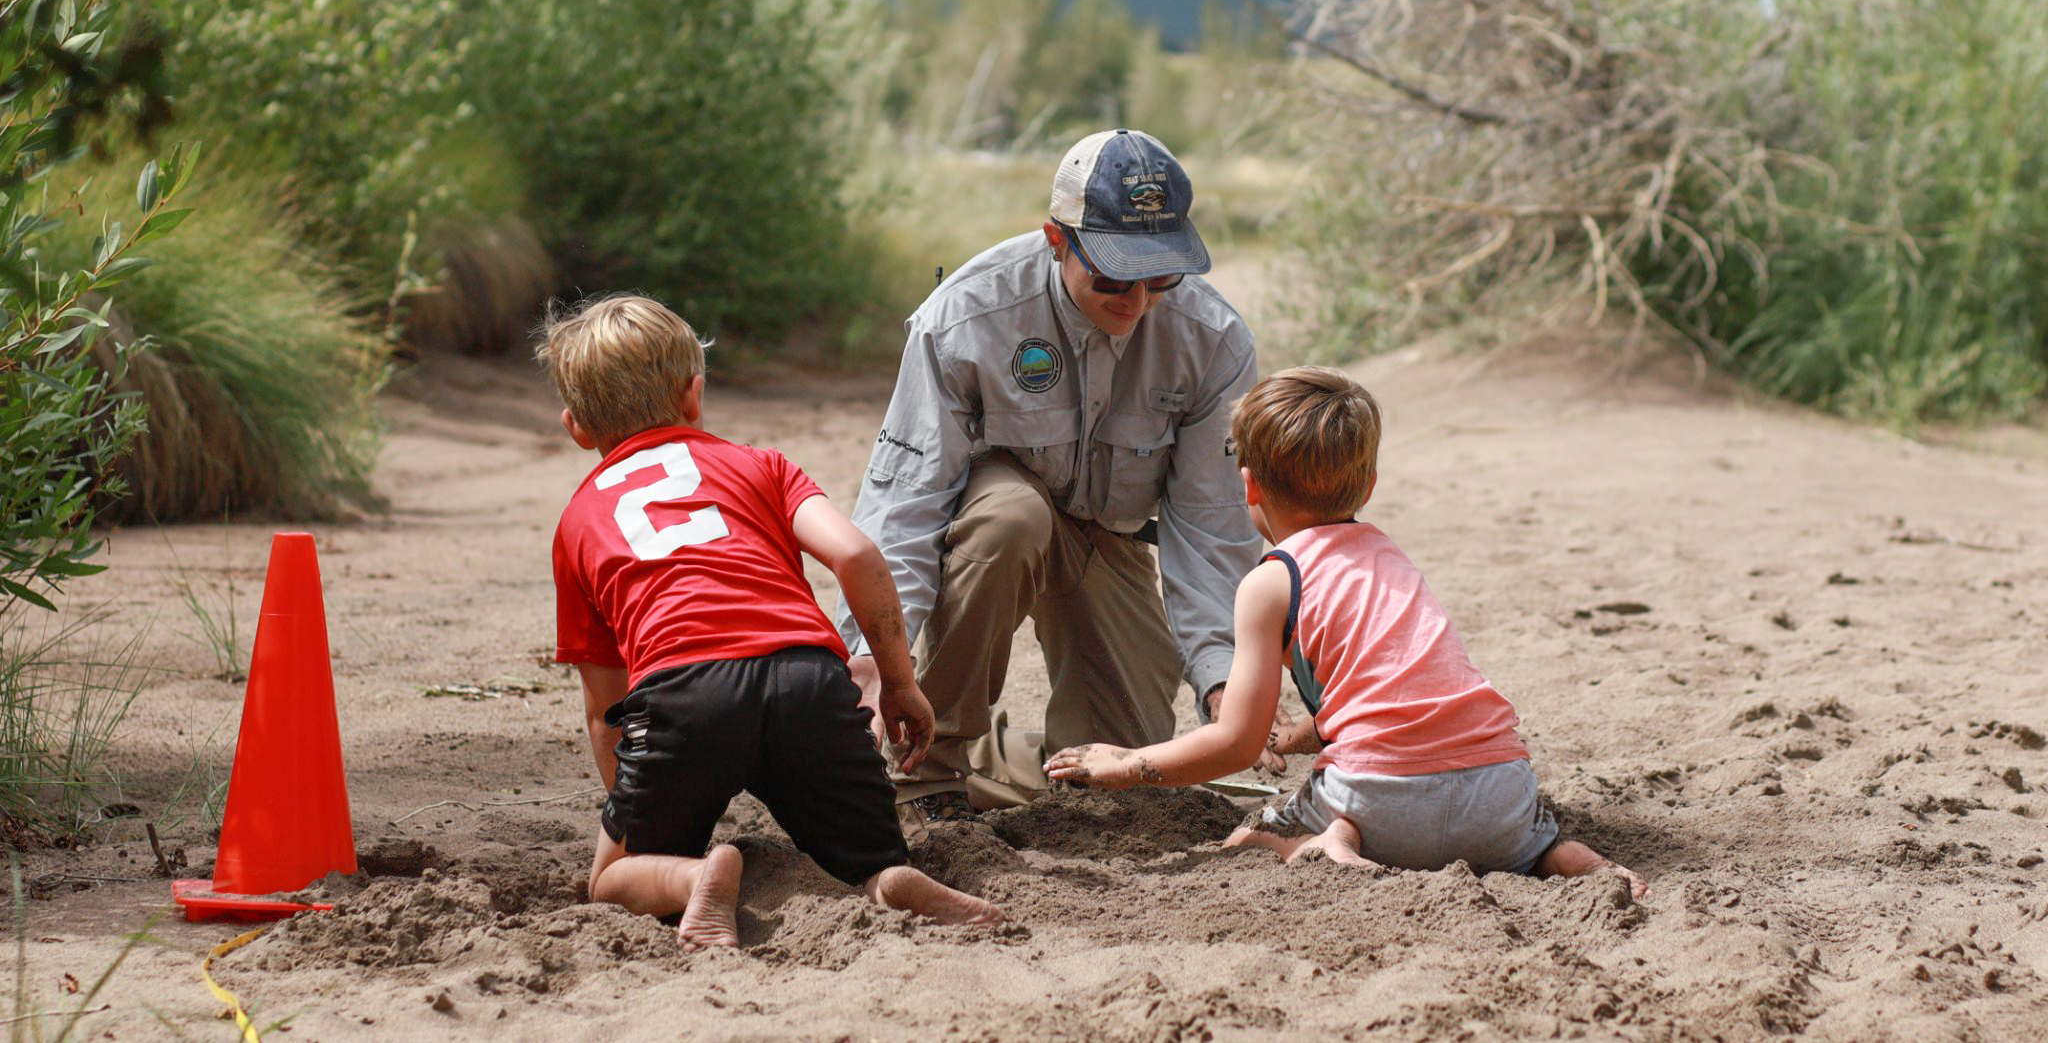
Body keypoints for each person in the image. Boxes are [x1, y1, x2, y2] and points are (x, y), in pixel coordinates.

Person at [1045, 366, 1648, 899]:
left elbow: (1234, 742)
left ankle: (1329, 842)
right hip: (1499, 795)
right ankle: (1561, 857)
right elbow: (1390, 695)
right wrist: (1300, 736)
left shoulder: (1270, 582)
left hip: (1381, 799)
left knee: (1248, 836)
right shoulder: (1391, 557)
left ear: (1249, 486)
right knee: (1532, 840)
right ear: (1368, 485)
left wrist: (1127, 763)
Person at [537, 295, 1003, 950]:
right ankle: (885, 880)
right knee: (869, 856)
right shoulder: (764, 465)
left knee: (612, 878)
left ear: (576, 427)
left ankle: (696, 876)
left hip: (680, 693)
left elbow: (604, 706)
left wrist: (636, 806)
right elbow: (858, 555)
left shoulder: (578, 522)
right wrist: (897, 680)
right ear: (693, 395)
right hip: (806, 676)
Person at [842, 129, 1278, 822]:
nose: (1135, 299)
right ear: (1056, 238)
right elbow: (907, 504)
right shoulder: (964, 317)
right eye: (1110, 273)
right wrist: (873, 656)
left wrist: (1224, 681)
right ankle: (938, 766)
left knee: (1123, 769)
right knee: (1014, 518)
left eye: (1160, 275)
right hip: (996, 517)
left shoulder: (1214, 342)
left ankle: (1003, 758)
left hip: (1112, 537)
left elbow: (1211, 529)